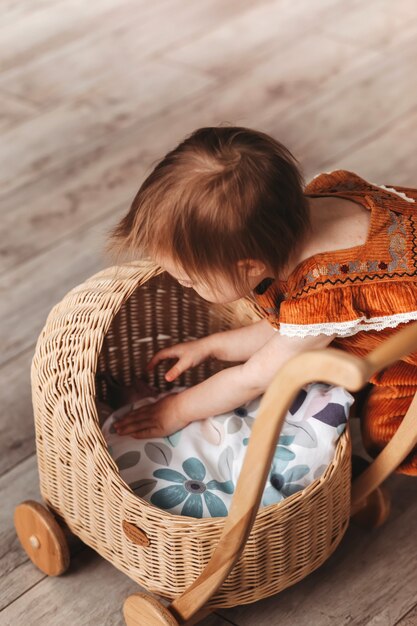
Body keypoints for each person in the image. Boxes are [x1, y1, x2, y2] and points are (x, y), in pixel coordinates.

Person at [105, 125, 417, 476]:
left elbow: (254, 378)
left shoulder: (326, 292)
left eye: (189, 280)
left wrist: (175, 411)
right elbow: (284, 329)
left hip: (410, 361)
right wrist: (213, 345)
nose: (186, 288)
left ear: (251, 266)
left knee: (387, 433)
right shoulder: (318, 201)